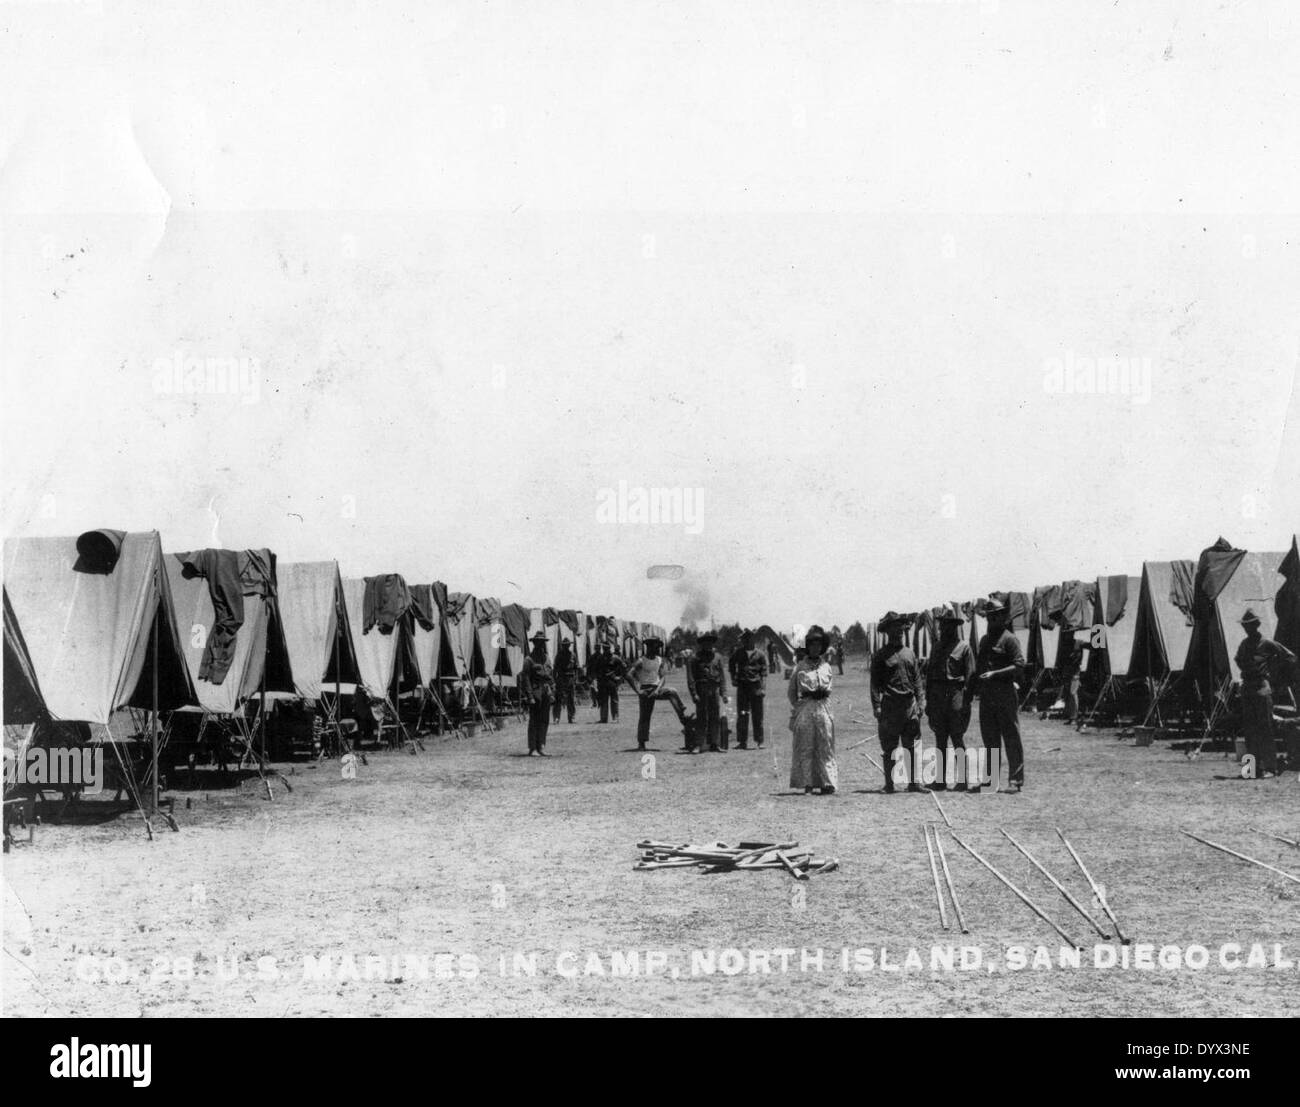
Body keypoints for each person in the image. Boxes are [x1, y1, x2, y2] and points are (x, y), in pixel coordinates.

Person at [1234, 609, 1296, 780]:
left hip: (1262, 687)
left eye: (1251, 625)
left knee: (1265, 729)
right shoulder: (1244, 645)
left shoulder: (1267, 643)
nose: (1248, 629)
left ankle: (1270, 767)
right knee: (1250, 730)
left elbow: (1289, 657)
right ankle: (1251, 769)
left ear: (1257, 625)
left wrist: (1274, 673)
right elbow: (1238, 660)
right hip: (1248, 687)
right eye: (1246, 626)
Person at [973, 597, 1026, 793]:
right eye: (989, 617)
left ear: (1003, 617)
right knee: (990, 739)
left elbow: (1019, 665)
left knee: (1011, 737)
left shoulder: (1010, 639)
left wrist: (995, 674)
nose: (992, 621)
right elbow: (978, 667)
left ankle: (1015, 780)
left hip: (1005, 693)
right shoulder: (985, 640)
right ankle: (991, 779)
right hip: (987, 696)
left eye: (995, 617)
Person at [870, 612, 926, 792]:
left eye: (901, 626)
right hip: (890, 707)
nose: (899, 630)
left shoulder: (910, 653)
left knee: (911, 746)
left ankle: (913, 783)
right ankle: (889, 784)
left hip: (909, 706)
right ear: (887, 631)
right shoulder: (880, 656)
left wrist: (921, 701)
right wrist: (877, 706)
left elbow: (917, 680)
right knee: (890, 748)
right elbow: (874, 684)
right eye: (894, 626)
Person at [926, 604, 975, 791]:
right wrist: (929, 704)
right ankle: (940, 780)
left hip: (956, 695)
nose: (944, 628)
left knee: (957, 738)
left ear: (955, 627)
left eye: (948, 625)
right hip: (938, 696)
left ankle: (962, 779)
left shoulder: (964, 648)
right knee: (940, 739)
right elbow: (929, 677)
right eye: (942, 625)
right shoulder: (936, 648)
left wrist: (966, 702)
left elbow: (971, 676)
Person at [788, 624, 838, 794]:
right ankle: (807, 784)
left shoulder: (826, 667)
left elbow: (829, 688)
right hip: (806, 708)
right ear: (807, 647)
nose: (815, 648)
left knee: (825, 745)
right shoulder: (800, 667)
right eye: (812, 645)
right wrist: (799, 708)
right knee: (806, 745)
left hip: (823, 707)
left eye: (818, 645)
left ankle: (826, 783)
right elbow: (791, 693)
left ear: (822, 647)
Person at [626, 636, 671, 751]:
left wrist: (657, 690)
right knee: (645, 716)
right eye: (652, 646)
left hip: (657, 688)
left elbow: (663, 678)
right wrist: (638, 691)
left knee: (673, 693)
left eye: (656, 646)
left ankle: (684, 718)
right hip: (646, 690)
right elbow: (629, 675)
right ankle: (642, 743)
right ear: (648, 647)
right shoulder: (641, 661)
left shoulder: (660, 660)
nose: (655, 648)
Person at [687, 632, 730, 752]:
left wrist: (724, 693)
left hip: (714, 690)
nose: (708, 645)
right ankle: (698, 744)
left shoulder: (718, 657)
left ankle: (715, 744)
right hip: (701, 690)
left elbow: (722, 677)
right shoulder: (695, 658)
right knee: (701, 717)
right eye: (705, 643)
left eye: (710, 643)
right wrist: (694, 693)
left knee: (715, 717)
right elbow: (691, 678)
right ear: (701, 644)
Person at [728, 628, 768, 749]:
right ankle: (742, 741)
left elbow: (764, 673)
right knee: (742, 714)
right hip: (742, 687)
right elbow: (731, 665)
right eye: (745, 639)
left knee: (757, 715)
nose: (747, 641)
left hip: (756, 687)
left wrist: (763, 688)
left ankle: (760, 741)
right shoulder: (738, 652)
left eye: (749, 638)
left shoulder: (760, 654)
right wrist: (733, 678)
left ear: (753, 639)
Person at [519, 632, 555, 757]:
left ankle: (541, 746)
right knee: (534, 720)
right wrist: (530, 696)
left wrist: (552, 691)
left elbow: (551, 676)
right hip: (535, 691)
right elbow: (526, 678)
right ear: (534, 643)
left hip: (546, 691)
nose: (541, 644)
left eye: (542, 642)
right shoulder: (529, 659)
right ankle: (533, 747)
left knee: (544, 720)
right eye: (538, 642)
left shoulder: (547, 658)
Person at [596, 642, 625, 723]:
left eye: (607, 648)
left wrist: (620, 677)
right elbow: (596, 669)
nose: (605, 650)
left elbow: (624, 666)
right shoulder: (600, 658)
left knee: (614, 700)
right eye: (604, 648)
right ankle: (603, 718)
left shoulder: (615, 658)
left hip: (612, 681)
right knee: (603, 700)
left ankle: (615, 718)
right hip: (603, 682)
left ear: (609, 649)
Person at [552, 638, 577, 724]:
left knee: (571, 699)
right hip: (561, 678)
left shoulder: (573, 655)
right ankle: (556, 717)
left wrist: (575, 679)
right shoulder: (559, 655)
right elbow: (555, 668)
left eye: (568, 644)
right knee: (558, 699)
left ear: (570, 645)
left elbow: (576, 668)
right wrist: (555, 680)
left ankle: (571, 717)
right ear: (562, 645)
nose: (566, 646)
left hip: (570, 678)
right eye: (564, 645)